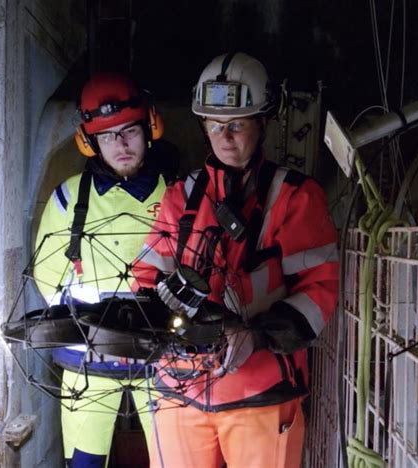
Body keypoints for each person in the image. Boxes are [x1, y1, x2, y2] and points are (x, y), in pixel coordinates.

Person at [133, 52, 339, 468]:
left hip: (262, 392)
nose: (224, 137)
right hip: (181, 390)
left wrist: (258, 336)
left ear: (263, 123)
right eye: (214, 125)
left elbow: (319, 290)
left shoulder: (296, 198)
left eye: (237, 125)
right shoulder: (180, 197)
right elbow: (147, 277)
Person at [33, 72, 178, 467]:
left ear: (149, 129)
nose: (121, 144)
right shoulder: (68, 197)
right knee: (84, 462)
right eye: (108, 135)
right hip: (88, 358)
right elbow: (48, 278)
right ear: (90, 141)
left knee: (177, 458)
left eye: (129, 130)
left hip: (162, 356)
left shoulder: (180, 195)